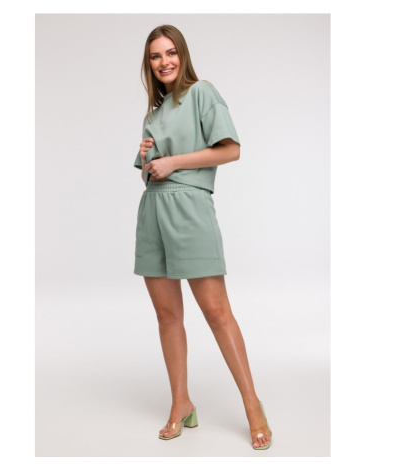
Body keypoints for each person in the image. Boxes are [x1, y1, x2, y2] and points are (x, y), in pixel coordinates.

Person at [133, 25, 272, 450]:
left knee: (216, 312)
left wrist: (172, 161)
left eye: (170, 52)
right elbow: (150, 175)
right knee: (166, 316)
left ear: (183, 54)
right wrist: (147, 161)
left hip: (191, 210)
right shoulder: (152, 114)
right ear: (148, 64)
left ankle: (252, 405)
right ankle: (181, 403)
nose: (164, 62)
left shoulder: (202, 93)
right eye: (155, 56)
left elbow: (231, 150)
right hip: (153, 211)